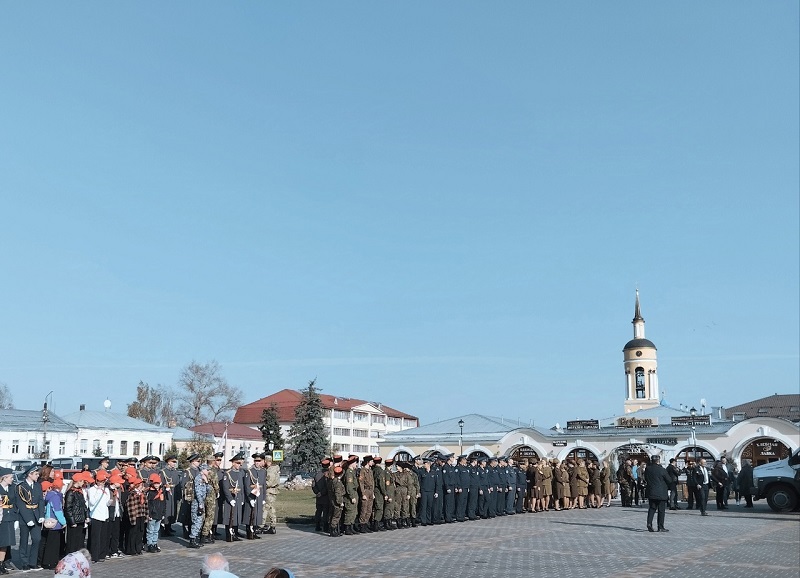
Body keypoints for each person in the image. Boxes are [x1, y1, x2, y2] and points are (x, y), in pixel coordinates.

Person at [15, 464, 45, 571]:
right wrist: (28, 519)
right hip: (25, 517)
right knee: (23, 541)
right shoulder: (20, 487)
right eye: (36, 474)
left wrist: (41, 515)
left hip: (36, 515)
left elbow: (41, 501)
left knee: (37, 539)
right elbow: (20, 504)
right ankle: (24, 563)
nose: (38, 476)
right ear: (29, 474)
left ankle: (33, 562)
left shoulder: (38, 486)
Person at [40, 478, 67, 569]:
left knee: (48, 543)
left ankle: (45, 561)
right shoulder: (55, 497)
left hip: (48, 522)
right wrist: (63, 522)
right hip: (55, 523)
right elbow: (58, 511)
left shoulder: (47, 496)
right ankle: (51, 562)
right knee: (54, 545)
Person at [643, 455, 671, 532]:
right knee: (661, 510)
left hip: (651, 491)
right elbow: (669, 480)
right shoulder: (662, 470)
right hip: (661, 492)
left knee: (652, 508)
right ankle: (660, 526)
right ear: (658, 460)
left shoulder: (648, 469)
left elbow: (645, 478)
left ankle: (649, 523)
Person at [221, 452, 245, 542]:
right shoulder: (228, 473)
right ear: (233, 463)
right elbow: (225, 488)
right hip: (230, 498)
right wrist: (230, 499)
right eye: (238, 463)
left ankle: (234, 533)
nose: (239, 465)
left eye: (240, 463)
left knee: (236, 516)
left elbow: (241, 487)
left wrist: (242, 498)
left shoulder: (240, 473)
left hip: (238, 497)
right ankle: (229, 534)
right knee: (229, 517)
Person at [243, 454, 266, 540]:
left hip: (259, 496)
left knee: (257, 514)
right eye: (256, 461)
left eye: (259, 461)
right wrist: (250, 499)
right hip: (251, 495)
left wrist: (264, 498)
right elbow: (247, 486)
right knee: (250, 514)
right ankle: (249, 532)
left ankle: (254, 531)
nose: (257, 463)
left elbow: (263, 485)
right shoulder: (249, 471)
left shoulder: (263, 471)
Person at [189, 465, 212, 548]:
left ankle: (194, 538)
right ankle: (192, 540)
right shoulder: (198, 478)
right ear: (202, 470)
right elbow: (198, 493)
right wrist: (201, 504)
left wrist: (206, 482)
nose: (208, 471)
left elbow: (209, 491)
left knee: (199, 521)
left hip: (201, 502)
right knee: (197, 521)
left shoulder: (204, 478)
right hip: (197, 503)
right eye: (207, 470)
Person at [145, 473, 166, 553]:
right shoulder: (150, 492)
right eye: (155, 483)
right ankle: (149, 544)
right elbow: (148, 505)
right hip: (152, 514)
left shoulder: (162, 492)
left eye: (158, 483)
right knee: (150, 530)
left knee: (156, 530)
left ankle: (154, 543)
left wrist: (163, 513)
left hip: (159, 514)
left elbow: (164, 503)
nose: (156, 485)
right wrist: (149, 514)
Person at [0, 467, 15, 575]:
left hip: (9, 518)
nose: (12, 479)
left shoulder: (11, 488)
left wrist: (16, 518)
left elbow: (15, 503)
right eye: (11, 477)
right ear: (4, 478)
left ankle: (1, 563)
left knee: (5, 543)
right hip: (1, 518)